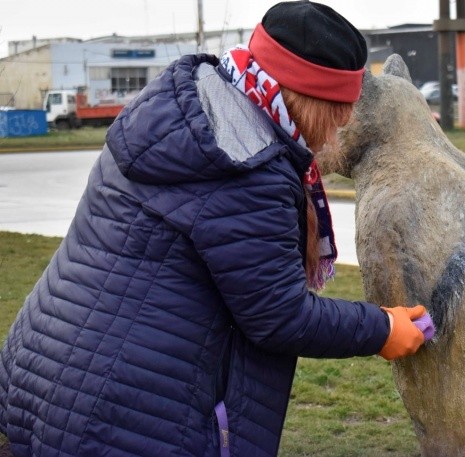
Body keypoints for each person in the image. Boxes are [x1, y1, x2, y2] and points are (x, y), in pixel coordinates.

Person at [0, 2, 434, 456]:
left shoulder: (187, 111)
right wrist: (381, 328)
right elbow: (280, 316)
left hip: (46, 373)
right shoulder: (246, 166)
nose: (342, 124)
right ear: (305, 98)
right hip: (122, 416)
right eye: (338, 109)